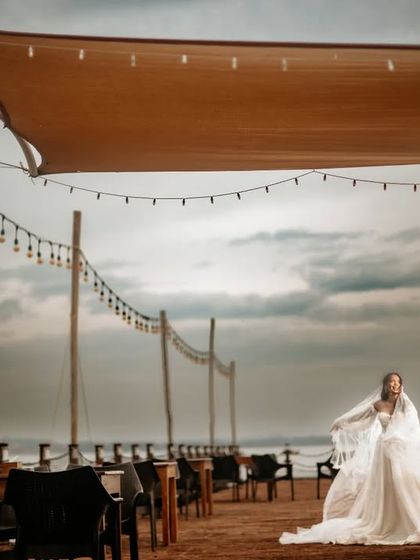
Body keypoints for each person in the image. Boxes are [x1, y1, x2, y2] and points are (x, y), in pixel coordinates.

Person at [280, 372, 420, 545]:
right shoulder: (379, 404)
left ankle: (408, 520)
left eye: (398, 382)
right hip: (383, 452)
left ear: (401, 385)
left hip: (399, 452)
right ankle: (386, 521)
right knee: (385, 487)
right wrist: (340, 422)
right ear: (385, 385)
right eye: (392, 382)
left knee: (404, 485)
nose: (395, 385)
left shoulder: (406, 405)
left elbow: (412, 427)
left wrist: (397, 437)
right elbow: (359, 416)